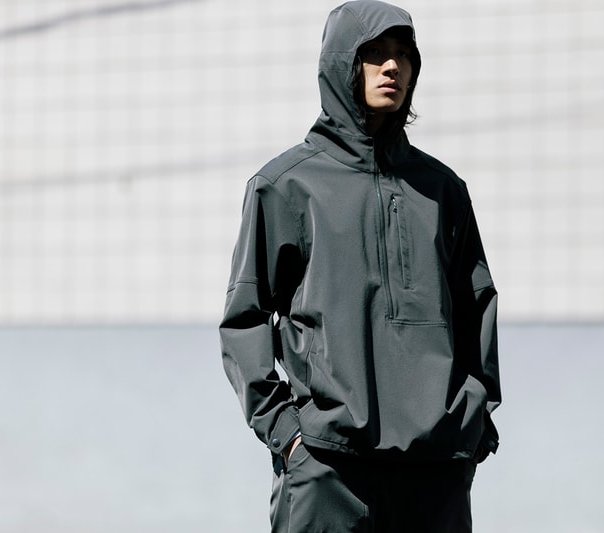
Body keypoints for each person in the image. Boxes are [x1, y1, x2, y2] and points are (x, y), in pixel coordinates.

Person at [219, 1, 500, 531]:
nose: (392, 67)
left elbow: (477, 307)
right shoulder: (286, 186)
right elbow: (244, 320)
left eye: (403, 55)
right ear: (341, 63)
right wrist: (285, 431)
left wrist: (473, 426)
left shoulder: (443, 190)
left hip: (436, 471)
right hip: (328, 468)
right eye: (375, 53)